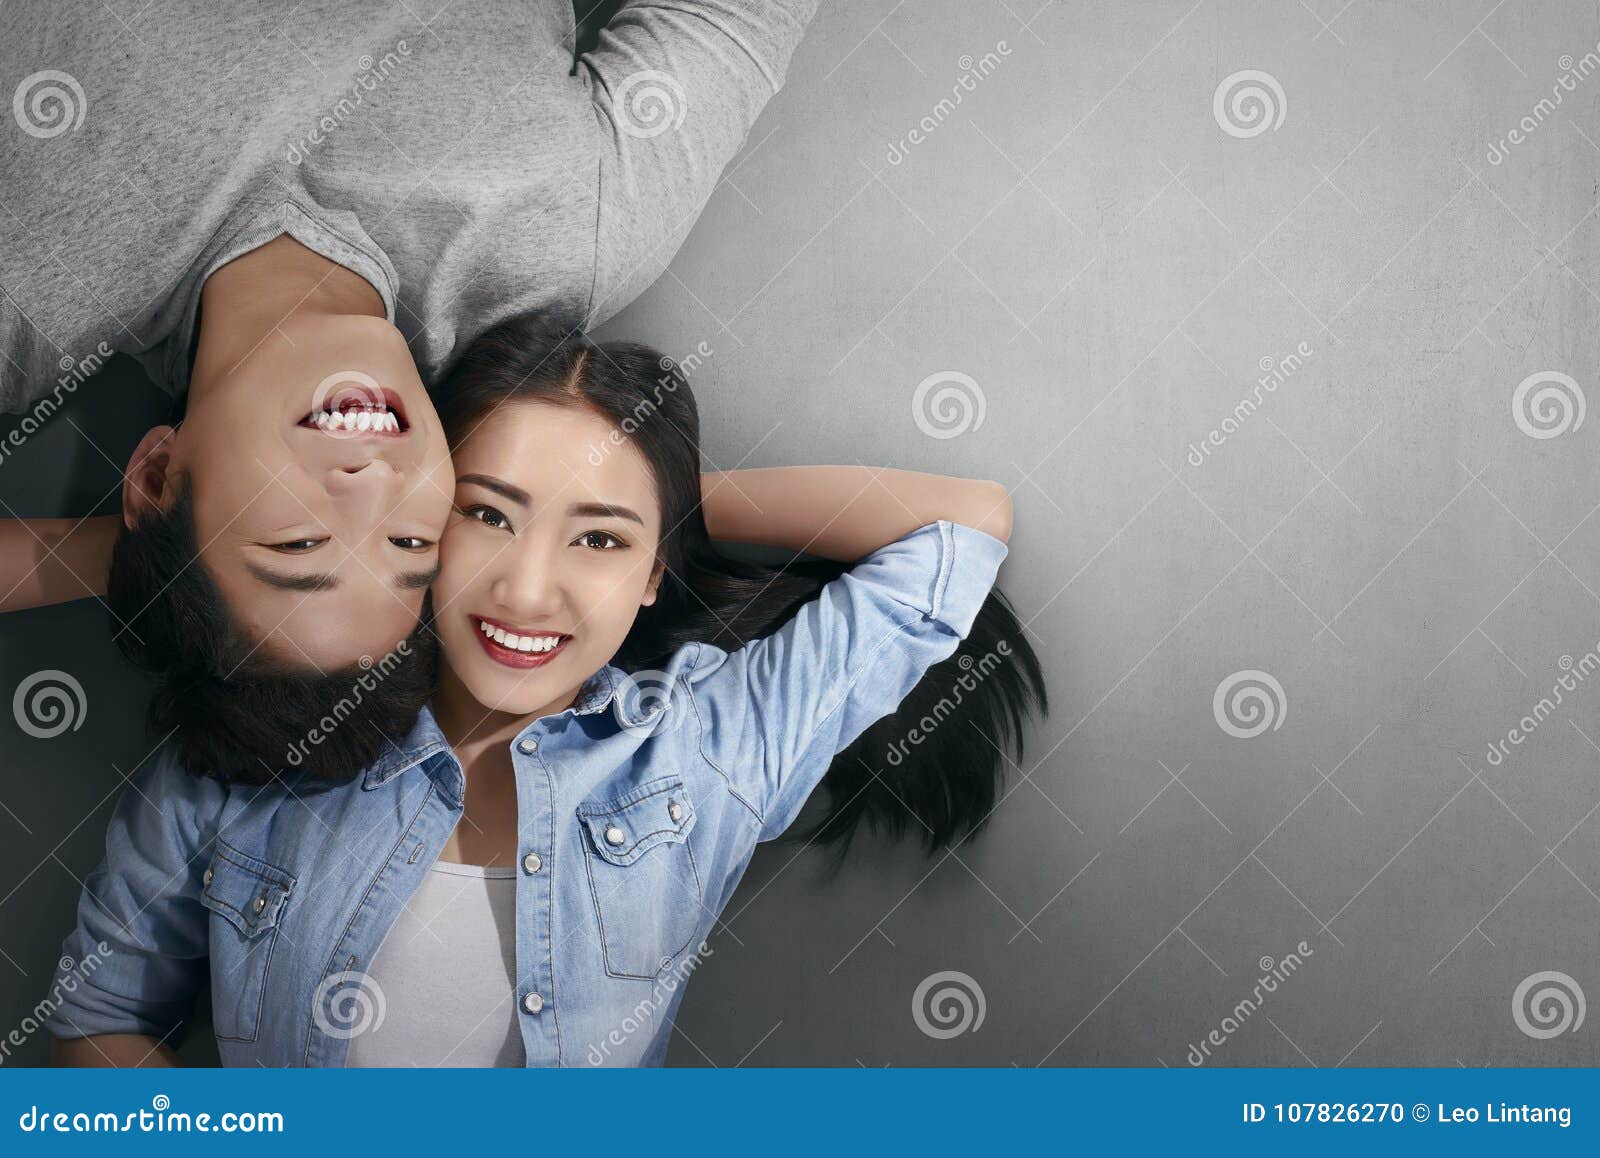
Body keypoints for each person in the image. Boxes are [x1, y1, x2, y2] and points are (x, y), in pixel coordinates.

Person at [43, 318, 1048, 1066]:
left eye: (601, 539)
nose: (527, 589)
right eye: (486, 515)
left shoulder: (707, 753)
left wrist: (668, 494)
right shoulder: (268, 721)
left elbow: (961, 526)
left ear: (656, 571)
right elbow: (98, 1016)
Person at [0, 0, 820, 779]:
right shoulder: (573, 234)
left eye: (298, 546)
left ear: (151, 474)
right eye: (409, 546)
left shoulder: (31, 295)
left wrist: (152, 561)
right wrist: (647, 508)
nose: (374, 487)